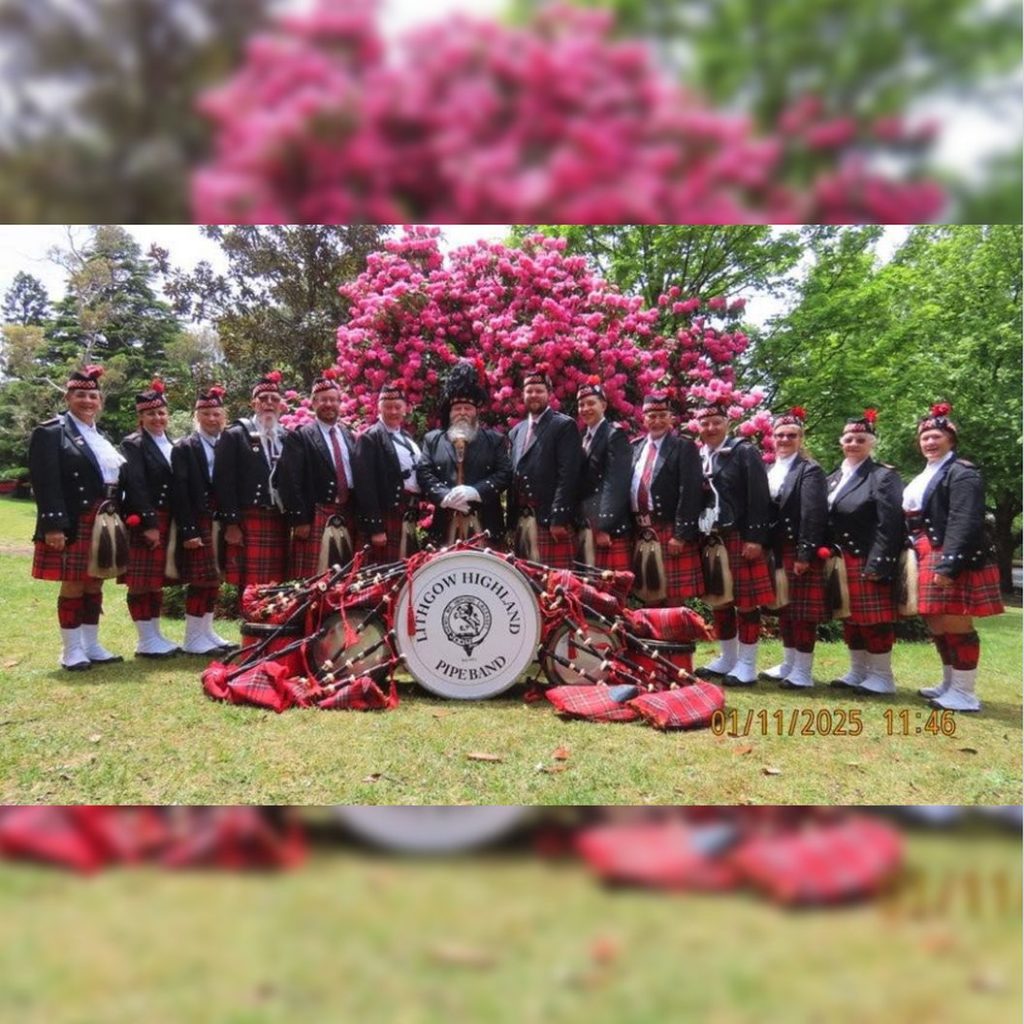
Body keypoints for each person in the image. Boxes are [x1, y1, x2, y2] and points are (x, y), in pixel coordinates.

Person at [903, 403, 1003, 712]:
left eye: (936, 437)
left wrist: (949, 564)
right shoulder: (928, 472)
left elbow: (965, 519)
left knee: (956, 621)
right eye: (925, 437)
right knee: (935, 620)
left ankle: (964, 692)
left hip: (947, 551)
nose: (930, 442)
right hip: (924, 549)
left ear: (951, 439)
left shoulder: (962, 472)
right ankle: (948, 682)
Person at [29, 365, 126, 671]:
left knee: (94, 583)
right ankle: (71, 650)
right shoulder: (51, 431)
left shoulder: (101, 435)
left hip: (103, 517)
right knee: (73, 584)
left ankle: (91, 644)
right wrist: (53, 525)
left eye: (93, 395)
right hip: (74, 519)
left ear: (100, 401)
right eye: (80, 394)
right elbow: (46, 481)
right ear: (69, 397)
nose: (87, 400)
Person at [694, 402, 774, 685]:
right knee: (720, 600)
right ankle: (727, 659)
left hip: (740, 535)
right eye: (705, 423)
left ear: (727, 423)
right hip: (711, 537)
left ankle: (748, 665)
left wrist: (755, 538)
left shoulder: (744, 451)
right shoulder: (699, 453)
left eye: (716, 422)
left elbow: (759, 497)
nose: (710, 428)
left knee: (747, 603)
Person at [825, 410, 904, 694]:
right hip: (839, 558)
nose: (854, 443)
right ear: (841, 442)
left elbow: (890, 523)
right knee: (850, 617)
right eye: (848, 438)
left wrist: (879, 563)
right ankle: (858, 672)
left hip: (866, 555)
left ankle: (882, 677)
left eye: (861, 439)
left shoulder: (883, 476)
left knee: (874, 620)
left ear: (871, 443)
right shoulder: (834, 477)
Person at [760, 407, 829, 688]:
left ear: (801, 439)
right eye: (779, 435)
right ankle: (788, 663)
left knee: (802, 612)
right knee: (785, 609)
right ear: (772, 438)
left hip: (796, 547)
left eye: (791, 435)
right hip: (776, 548)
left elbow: (813, 514)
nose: (785, 439)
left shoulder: (809, 470)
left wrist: (805, 553)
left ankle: (803, 670)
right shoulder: (770, 468)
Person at [417, 359, 511, 547]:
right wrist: (444, 496)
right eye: (457, 408)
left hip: (486, 526)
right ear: (450, 413)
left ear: (476, 412)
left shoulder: (495, 440)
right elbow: (424, 473)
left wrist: (476, 491)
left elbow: (505, 474)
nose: (462, 413)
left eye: (468, 408)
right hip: (444, 527)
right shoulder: (432, 439)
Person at [276, 368, 360, 577]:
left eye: (333, 400)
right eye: (323, 400)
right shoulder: (301, 436)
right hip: (316, 515)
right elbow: (289, 481)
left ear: (340, 403)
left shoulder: (347, 434)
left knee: (344, 576)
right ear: (313, 403)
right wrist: (300, 520)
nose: (329, 404)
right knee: (313, 577)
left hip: (347, 511)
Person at [119, 379, 181, 657]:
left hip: (168, 517)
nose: (157, 418)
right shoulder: (134, 444)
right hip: (149, 518)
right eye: (151, 414)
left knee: (156, 581)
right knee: (141, 581)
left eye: (161, 413)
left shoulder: (170, 442)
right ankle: (145, 640)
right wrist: (149, 523)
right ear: (140, 417)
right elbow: (136, 485)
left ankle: (155, 635)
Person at [170, 384, 234, 654]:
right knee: (200, 580)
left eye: (216, 413)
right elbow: (179, 492)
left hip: (222, 517)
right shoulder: (185, 447)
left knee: (215, 577)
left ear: (224, 416)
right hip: (200, 517)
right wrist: (188, 530)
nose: (212, 419)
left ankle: (206, 632)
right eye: (206, 413)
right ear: (197, 416)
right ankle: (192, 638)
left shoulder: (229, 443)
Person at [212, 370, 290, 588]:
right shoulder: (235, 434)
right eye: (263, 399)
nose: (269, 403)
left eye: (274, 399)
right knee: (251, 585)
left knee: (278, 584)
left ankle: (274, 623)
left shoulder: (285, 436)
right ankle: (249, 622)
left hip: (280, 519)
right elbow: (223, 482)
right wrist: (231, 524)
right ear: (253, 403)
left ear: (280, 405)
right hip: (249, 518)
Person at [628, 390, 704, 604]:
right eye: (652, 416)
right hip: (642, 530)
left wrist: (681, 534)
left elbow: (690, 492)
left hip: (669, 529)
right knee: (650, 596)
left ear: (671, 418)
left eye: (663, 416)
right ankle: (655, 639)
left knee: (673, 599)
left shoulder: (684, 447)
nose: (657, 421)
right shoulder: (636, 447)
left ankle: (678, 639)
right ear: (644, 418)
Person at [506, 368, 581, 569]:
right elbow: (513, 478)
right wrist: (511, 523)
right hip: (523, 522)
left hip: (550, 522)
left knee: (555, 588)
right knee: (526, 586)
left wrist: (559, 518)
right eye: (529, 391)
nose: (534, 395)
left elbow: (569, 476)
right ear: (523, 395)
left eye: (539, 391)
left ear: (549, 393)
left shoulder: (563, 426)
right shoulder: (516, 432)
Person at [353, 382, 424, 564]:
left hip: (407, 513)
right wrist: (376, 527)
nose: (393, 411)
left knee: (406, 572)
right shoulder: (369, 438)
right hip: (387, 516)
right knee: (385, 577)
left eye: (397, 407)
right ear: (379, 409)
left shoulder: (407, 438)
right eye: (388, 407)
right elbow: (364, 486)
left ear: (405, 409)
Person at [574, 376, 634, 575]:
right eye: (581, 404)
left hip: (607, 528)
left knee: (611, 594)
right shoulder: (583, 438)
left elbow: (616, 483)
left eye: (591, 403)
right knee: (589, 590)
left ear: (604, 405)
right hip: (587, 524)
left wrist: (604, 526)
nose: (585, 408)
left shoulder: (614, 435)